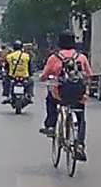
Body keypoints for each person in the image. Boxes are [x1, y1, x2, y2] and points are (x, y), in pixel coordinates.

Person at [39, 32, 93, 162]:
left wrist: (44, 78)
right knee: (80, 118)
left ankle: (51, 125)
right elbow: (89, 75)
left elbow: (44, 76)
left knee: (50, 99)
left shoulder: (54, 57)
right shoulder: (81, 57)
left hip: (60, 95)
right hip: (78, 95)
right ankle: (80, 145)